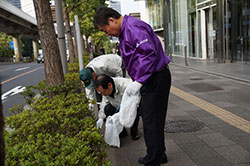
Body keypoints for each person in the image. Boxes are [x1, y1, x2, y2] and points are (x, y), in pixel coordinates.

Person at [94, 7, 172, 166]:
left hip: (153, 78)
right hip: (151, 77)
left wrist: (139, 80)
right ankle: (158, 154)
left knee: (151, 121)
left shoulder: (132, 28)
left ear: (112, 20)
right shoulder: (126, 30)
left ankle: (154, 159)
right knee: (154, 119)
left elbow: (147, 53)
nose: (107, 34)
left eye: (105, 30)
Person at [94, 74, 140, 141]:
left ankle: (134, 131)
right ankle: (122, 132)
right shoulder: (106, 91)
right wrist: (101, 117)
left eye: (103, 92)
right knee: (107, 109)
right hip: (117, 106)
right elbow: (104, 102)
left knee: (135, 112)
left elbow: (137, 99)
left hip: (130, 106)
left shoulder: (126, 85)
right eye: (101, 93)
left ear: (110, 85)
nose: (103, 95)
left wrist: (126, 109)